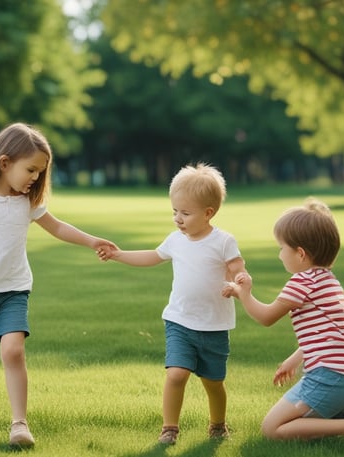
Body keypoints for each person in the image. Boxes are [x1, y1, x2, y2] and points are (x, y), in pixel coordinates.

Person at [0, 122, 116, 448]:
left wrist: (93, 241)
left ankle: (19, 424)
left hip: (13, 290)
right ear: (5, 163)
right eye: (31, 170)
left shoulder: (28, 203)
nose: (35, 177)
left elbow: (59, 228)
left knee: (13, 350)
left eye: (40, 172)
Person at [221, 197, 344, 455]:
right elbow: (328, 336)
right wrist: (295, 360)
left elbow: (267, 317)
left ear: (300, 253)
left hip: (330, 380)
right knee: (306, 431)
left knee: (272, 429)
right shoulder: (330, 282)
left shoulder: (301, 281)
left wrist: (243, 294)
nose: (279, 253)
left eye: (281, 247)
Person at [97, 163, 247, 445]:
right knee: (176, 374)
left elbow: (238, 267)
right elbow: (152, 256)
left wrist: (237, 282)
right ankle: (170, 428)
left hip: (214, 326)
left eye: (186, 213)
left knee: (213, 383)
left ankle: (217, 424)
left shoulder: (223, 241)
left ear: (208, 213)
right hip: (179, 321)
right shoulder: (175, 240)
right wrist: (118, 254)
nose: (178, 218)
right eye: (175, 211)